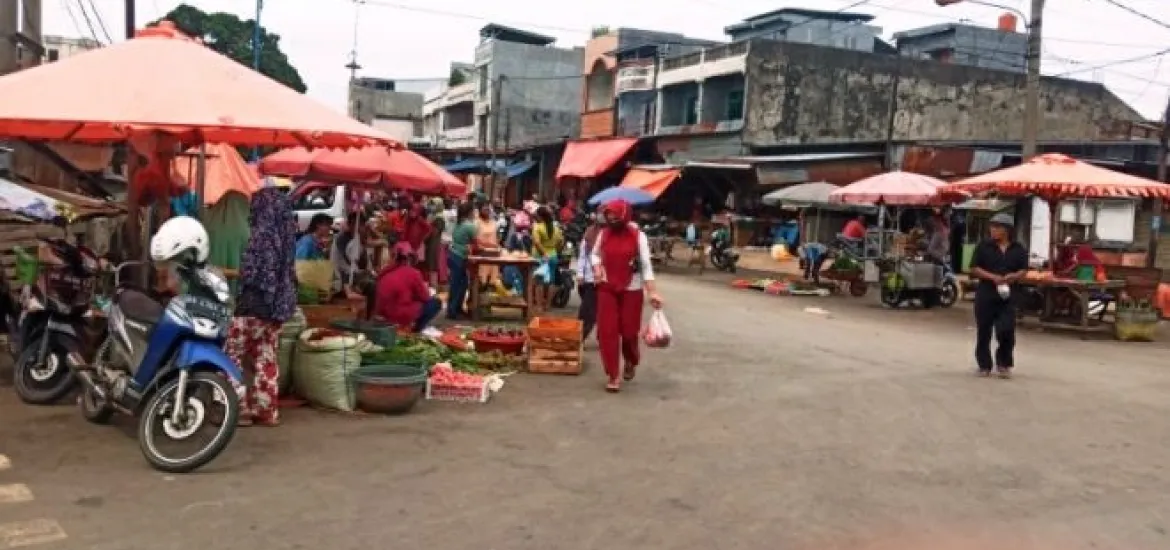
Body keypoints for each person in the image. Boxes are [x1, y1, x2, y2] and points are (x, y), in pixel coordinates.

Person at [228, 188, 298, 427]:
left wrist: (229, 272)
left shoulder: (260, 235)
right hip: (277, 307)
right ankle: (266, 410)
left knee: (231, 355)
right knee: (266, 358)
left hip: (252, 305)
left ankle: (239, 409)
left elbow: (253, 274)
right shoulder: (287, 236)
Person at [590, 199, 664, 393]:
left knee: (629, 332)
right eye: (609, 216)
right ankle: (613, 375)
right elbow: (595, 254)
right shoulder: (604, 234)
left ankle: (631, 359)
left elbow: (646, 266)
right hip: (606, 286)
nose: (612, 220)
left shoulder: (638, 236)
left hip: (632, 287)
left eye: (615, 216)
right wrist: (597, 267)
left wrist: (652, 292)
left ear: (625, 215)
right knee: (607, 332)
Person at [969, 212, 1028, 379]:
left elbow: (1024, 269)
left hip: (1008, 294)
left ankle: (1003, 363)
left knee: (1006, 329)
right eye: (992, 227)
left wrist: (1014, 276)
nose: (993, 230)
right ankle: (984, 365)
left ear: (1007, 230)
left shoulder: (1018, 249)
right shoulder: (984, 246)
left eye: (997, 227)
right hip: (986, 293)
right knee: (984, 330)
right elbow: (974, 268)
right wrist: (992, 277)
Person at [374, 242, 442, 332]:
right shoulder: (413, 273)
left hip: (384, 315)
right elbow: (425, 297)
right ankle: (416, 329)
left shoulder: (384, 272)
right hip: (399, 315)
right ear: (409, 258)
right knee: (435, 303)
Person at [447, 202, 478, 320]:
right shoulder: (469, 226)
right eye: (473, 211)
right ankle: (453, 310)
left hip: (453, 254)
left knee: (460, 283)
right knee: (459, 284)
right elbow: (475, 243)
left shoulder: (458, 223)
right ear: (469, 212)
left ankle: (456, 308)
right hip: (459, 256)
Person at [331, 211, 370, 299]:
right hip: (341, 272)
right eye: (353, 224)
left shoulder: (357, 237)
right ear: (349, 224)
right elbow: (349, 261)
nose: (356, 226)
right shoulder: (342, 238)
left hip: (352, 272)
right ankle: (348, 291)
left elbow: (362, 263)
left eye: (360, 224)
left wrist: (363, 242)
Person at [532, 206, 563, 311]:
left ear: (540, 216)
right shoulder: (556, 228)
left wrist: (544, 253)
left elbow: (537, 242)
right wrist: (555, 251)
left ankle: (539, 306)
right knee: (551, 281)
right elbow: (560, 242)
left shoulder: (537, 227)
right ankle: (548, 305)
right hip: (553, 255)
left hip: (540, 257)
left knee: (539, 282)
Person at [575, 214, 600, 340]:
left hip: (608, 280)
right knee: (587, 311)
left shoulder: (614, 234)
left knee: (605, 311)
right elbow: (582, 256)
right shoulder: (590, 232)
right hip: (590, 279)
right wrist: (580, 274)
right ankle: (579, 339)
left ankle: (603, 337)